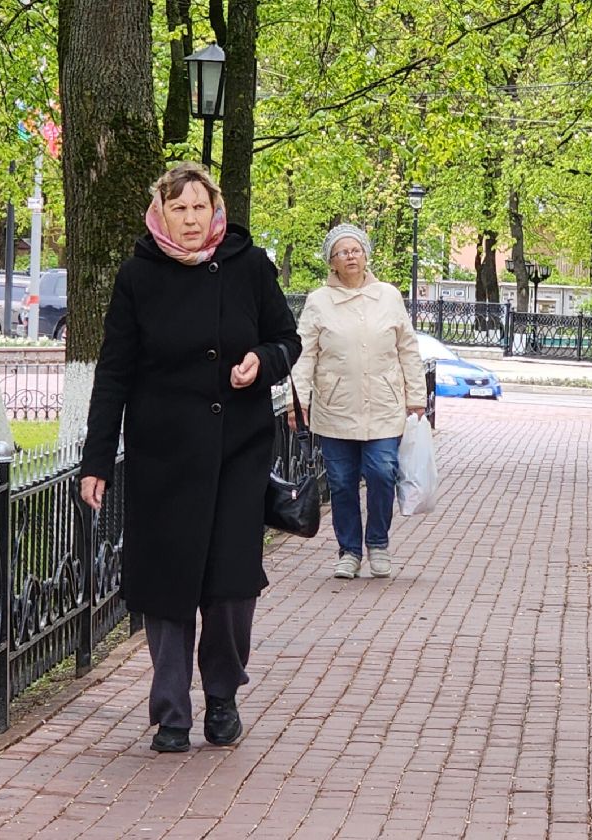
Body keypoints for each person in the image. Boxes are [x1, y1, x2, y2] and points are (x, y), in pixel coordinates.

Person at [77, 162, 298, 754]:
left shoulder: (250, 266)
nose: (192, 219)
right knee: (168, 588)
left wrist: (262, 360)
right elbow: (113, 374)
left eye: (200, 207)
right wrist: (97, 460)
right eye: (180, 208)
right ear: (160, 214)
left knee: (231, 588)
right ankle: (171, 712)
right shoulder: (137, 277)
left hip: (237, 455)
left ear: (215, 209)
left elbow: (287, 339)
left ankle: (222, 696)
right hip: (164, 460)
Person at [292, 224, 426, 580]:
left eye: (355, 250)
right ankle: (349, 552)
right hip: (335, 407)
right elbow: (304, 353)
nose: (350, 256)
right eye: (342, 252)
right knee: (340, 481)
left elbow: (408, 349)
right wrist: (298, 400)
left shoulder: (388, 296)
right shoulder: (319, 301)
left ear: (366, 255)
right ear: (332, 263)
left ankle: (378, 544)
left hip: (383, 404)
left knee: (383, 473)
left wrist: (416, 396)